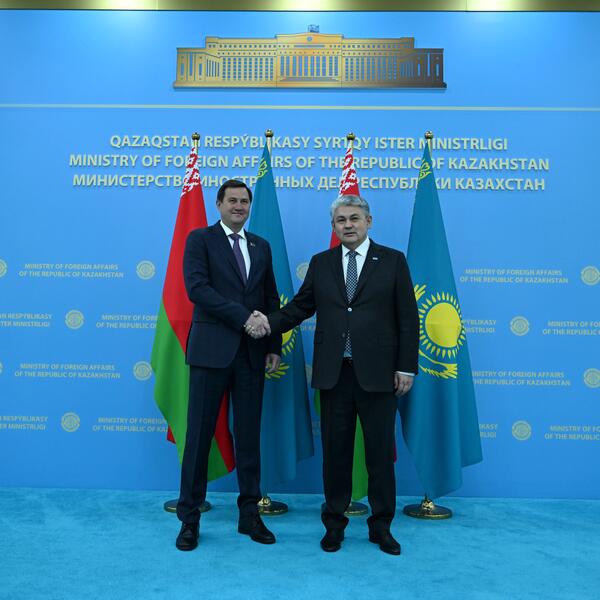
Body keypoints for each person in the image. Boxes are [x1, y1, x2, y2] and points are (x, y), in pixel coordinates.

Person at [260, 194, 419, 555]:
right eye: (340, 220)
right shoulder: (322, 263)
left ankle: (381, 527)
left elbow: (408, 319)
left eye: (354, 218)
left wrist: (406, 366)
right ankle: (334, 525)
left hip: (380, 375)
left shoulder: (393, 261)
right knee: (335, 456)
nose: (348, 225)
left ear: (368, 222)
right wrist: (267, 322)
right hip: (334, 375)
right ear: (333, 226)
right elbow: (300, 307)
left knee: (380, 457)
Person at [175, 179, 281, 551]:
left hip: (252, 354)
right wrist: (243, 318)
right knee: (199, 437)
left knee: (249, 438)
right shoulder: (200, 240)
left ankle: (249, 515)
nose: (239, 206)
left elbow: (270, 297)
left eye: (244, 201)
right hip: (210, 353)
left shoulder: (261, 245)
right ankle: (190, 519)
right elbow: (198, 289)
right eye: (232, 200)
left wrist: (274, 344)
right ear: (218, 204)